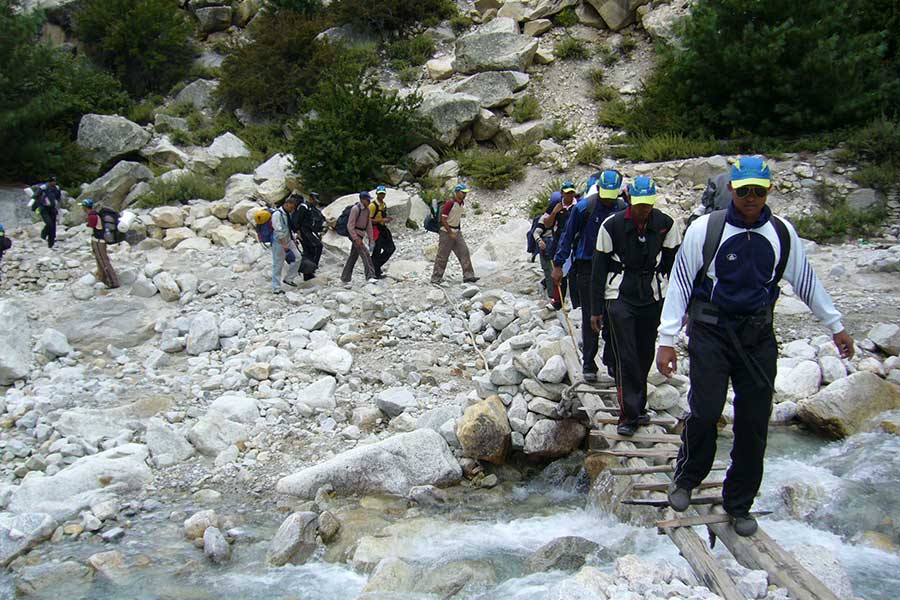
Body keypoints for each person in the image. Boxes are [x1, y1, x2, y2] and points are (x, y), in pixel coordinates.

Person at [657, 157, 855, 536]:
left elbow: (806, 282)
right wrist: (666, 341)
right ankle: (687, 478)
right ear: (731, 189)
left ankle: (739, 502)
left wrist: (836, 326)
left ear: (768, 192)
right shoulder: (705, 230)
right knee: (704, 410)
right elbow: (681, 284)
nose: (750, 197)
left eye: (758, 191)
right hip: (711, 332)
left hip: (758, 336)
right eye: (744, 189)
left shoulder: (782, 233)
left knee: (753, 423)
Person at [589, 177, 681, 436]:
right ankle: (628, 414)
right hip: (619, 294)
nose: (644, 209)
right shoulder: (612, 226)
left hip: (651, 294)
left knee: (644, 352)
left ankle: (638, 407)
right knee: (626, 354)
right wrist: (596, 309)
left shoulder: (665, 224)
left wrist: (675, 302)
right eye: (639, 204)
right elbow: (599, 270)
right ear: (629, 200)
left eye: (648, 205)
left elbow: (673, 262)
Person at [551, 170, 628, 382]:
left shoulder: (622, 209)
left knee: (614, 315)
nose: (607, 199)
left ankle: (611, 361)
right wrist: (558, 265)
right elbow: (567, 236)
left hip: (613, 269)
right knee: (591, 315)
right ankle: (589, 362)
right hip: (587, 268)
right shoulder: (585, 208)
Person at [533, 181, 578, 310]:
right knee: (558, 272)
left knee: (574, 274)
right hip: (559, 242)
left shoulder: (579, 206)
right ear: (562, 193)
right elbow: (546, 224)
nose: (569, 195)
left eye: (571, 192)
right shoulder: (555, 205)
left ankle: (576, 303)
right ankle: (558, 300)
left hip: (574, 243)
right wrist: (554, 212)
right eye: (566, 193)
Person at [431, 184, 479, 285]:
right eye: (463, 192)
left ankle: (468, 276)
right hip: (446, 232)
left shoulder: (461, 203)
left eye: (465, 193)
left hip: (456, 231)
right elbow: (443, 219)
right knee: (442, 256)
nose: (465, 194)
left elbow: (457, 218)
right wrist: (450, 232)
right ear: (457, 192)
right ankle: (435, 278)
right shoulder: (450, 203)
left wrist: (457, 230)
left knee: (464, 252)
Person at [81, 199, 119, 289]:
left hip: (98, 241)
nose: (82, 208)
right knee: (100, 260)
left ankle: (113, 282)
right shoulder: (96, 214)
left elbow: (91, 225)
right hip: (100, 240)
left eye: (82, 206)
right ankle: (104, 279)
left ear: (85, 207)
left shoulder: (92, 216)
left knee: (103, 260)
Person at [341, 191, 377, 284]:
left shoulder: (367, 210)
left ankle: (345, 278)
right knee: (365, 253)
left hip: (361, 234)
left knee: (353, 256)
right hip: (355, 234)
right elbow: (350, 225)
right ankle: (370, 276)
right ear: (362, 200)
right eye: (367, 199)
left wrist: (371, 239)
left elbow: (368, 225)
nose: (369, 201)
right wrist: (356, 238)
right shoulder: (355, 209)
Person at [291, 192, 325, 280]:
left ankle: (308, 273)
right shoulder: (304, 207)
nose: (316, 203)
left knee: (309, 251)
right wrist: (297, 231)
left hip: (307, 231)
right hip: (304, 231)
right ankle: (310, 269)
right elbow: (298, 220)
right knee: (317, 247)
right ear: (310, 199)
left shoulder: (310, 208)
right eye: (314, 200)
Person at [271, 196, 301, 294]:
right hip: (279, 242)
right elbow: (278, 230)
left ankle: (289, 278)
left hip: (289, 239)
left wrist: (294, 237)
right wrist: (284, 244)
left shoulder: (287, 214)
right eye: (291, 207)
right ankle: (276, 287)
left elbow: (288, 227)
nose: (292, 210)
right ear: (286, 204)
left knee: (298, 257)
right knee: (278, 264)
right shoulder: (277, 214)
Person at [369, 185, 395, 279]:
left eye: (383, 194)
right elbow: (369, 220)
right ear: (377, 194)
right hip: (375, 230)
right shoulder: (373, 206)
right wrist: (382, 220)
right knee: (377, 250)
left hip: (383, 229)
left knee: (391, 248)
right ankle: (375, 271)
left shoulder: (383, 204)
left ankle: (374, 266)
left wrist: (386, 220)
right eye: (380, 194)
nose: (382, 195)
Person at [32, 175, 61, 249]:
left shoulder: (56, 188)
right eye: (52, 181)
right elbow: (35, 196)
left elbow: (58, 198)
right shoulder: (43, 188)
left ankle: (51, 243)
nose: (54, 183)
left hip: (52, 208)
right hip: (44, 208)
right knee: (49, 223)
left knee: (53, 226)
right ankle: (43, 234)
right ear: (49, 181)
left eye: (55, 181)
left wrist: (57, 206)